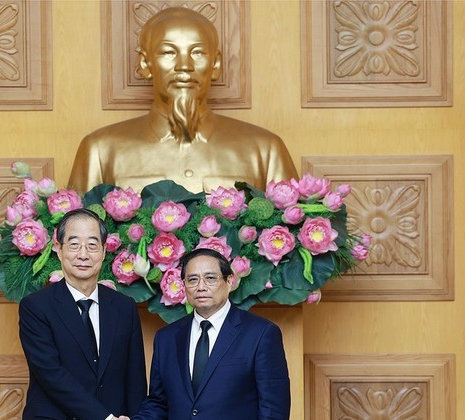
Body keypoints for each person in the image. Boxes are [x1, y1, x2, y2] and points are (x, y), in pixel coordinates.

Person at [68, 7, 297, 194]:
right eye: (168, 53)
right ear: (145, 64)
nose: (184, 66)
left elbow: (293, 241)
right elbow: (76, 240)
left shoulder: (266, 151)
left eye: (197, 52)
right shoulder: (99, 151)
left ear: (215, 65)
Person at [132, 248, 291, 420]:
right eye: (192, 279)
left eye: (210, 278)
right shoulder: (166, 338)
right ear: (184, 285)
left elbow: (273, 412)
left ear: (229, 281)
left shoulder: (261, 334)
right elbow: (159, 403)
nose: (201, 287)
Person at [18, 208, 147, 420]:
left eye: (92, 245)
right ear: (59, 249)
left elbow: (135, 379)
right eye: (74, 245)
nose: (83, 254)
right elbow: (51, 374)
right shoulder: (36, 307)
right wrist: (104, 418)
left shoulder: (124, 307)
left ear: (104, 251)